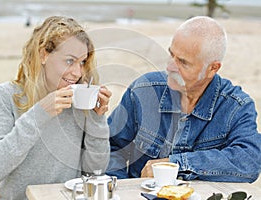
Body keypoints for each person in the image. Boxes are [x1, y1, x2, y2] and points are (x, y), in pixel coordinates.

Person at [106, 16, 261, 182]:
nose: (170, 66)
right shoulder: (143, 90)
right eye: (171, 55)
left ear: (212, 68)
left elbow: (249, 162)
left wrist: (176, 165)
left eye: (183, 62)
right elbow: (110, 146)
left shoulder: (236, 107)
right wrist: (119, 187)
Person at [0, 16, 112, 199]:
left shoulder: (79, 100)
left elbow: (95, 172)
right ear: (44, 54)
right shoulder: (6, 96)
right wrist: (39, 114)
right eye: (69, 61)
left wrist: (96, 119)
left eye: (82, 62)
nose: (77, 72)